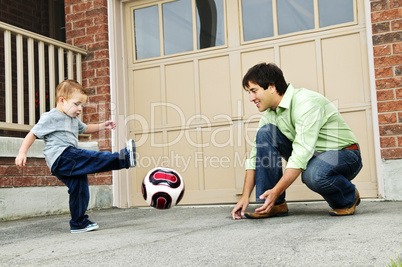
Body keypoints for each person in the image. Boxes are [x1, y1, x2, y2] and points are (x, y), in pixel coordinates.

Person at [231, 63, 362, 220]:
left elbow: (301, 153)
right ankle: (273, 204)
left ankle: (348, 197)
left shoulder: (305, 102)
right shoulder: (270, 115)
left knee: (313, 175)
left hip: (344, 154)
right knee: (265, 134)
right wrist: (245, 197)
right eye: (249, 93)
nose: (251, 98)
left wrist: (277, 189)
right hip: (313, 157)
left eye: (254, 91)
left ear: (271, 87)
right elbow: (254, 158)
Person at [15, 79, 136, 233]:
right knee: (91, 157)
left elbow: (85, 128)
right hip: (62, 156)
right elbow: (32, 134)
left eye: (82, 105)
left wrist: (102, 125)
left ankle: (78, 223)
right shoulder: (51, 117)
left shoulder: (73, 118)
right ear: (62, 101)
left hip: (65, 162)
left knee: (79, 188)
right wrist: (22, 152)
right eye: (77, 104)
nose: (80, 109)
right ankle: (123, 158)